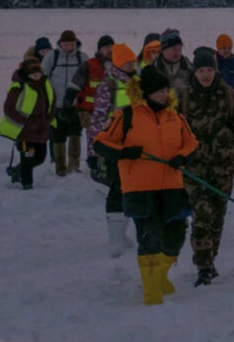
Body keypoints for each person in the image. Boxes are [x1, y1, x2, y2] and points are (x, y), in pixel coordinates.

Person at [93, 65, 199, 305]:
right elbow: (100, 143)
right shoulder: (125, 116)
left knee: (176, 237)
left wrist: (182, 156)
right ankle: (151, 288)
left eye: (166, 89)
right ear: (147, 92)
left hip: (172, 186)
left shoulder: (175, 116)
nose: (165, 94)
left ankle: (161, 276)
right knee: (150, 238)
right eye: (160, 90)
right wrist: (124, 152)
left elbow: (191, 142)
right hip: (140, 188)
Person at [180, 49, 234, 286]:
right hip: (195, 169)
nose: (206, 75)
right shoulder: (184, 97)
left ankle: (212, 258)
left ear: (216, 71)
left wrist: (229, 130)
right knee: (202, 215)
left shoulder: (228, 95)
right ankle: (203, 265)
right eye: (201, 70)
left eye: (210, 70)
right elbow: (174, 130)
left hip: (224, 168)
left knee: (218, 216)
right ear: (195, 72)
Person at [86, 43, 139, 257]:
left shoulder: (136, 82)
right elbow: (98, 119)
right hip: (112, 148)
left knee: (130, 190)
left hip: (133, 148)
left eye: (133, 61)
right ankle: (115, 240)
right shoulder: (109, 84)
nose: (131, 64)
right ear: (118, 62)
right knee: (117, 189)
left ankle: (122, 232)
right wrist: (96, 149)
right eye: (127, 61)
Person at [0, 58, 55, 190]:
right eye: (33, 74)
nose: (36, 75)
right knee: (27, 158)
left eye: (38, 73)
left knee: (40, 158)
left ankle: (18, 171)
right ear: (26, 74)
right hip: (25, 132)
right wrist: (25, 122)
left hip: (41, 129)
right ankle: (27, 185)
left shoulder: (45, 84)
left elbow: (52, 102)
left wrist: (49, 118)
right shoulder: (18, 87)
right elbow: (9, 109)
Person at [41, 30, 89, 176]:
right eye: (66, 44)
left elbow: (88, 80)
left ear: (76, 43)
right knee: (58, 135)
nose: (69, 47)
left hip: (76, 105)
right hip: (57, 105)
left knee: (76, 133)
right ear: (60, 44)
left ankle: (74, 166)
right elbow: (43, 78)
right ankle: (60, 167)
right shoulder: (52, 57)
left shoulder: (83, 57)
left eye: (72, 44)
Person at [64, 35, 114, 163]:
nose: (109, 49)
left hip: (113, 111)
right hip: (90, 111)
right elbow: (75, 84)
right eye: (106, 47)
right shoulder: (88, 65)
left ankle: (108, 161)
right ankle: (93, 160)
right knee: (94, 136)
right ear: (99, 49)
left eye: (111, 47)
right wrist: (68, 99)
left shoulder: (119, 65)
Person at [153, 29, 192, 98]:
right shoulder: (153, 70)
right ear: (163, 50)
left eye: (180, 49)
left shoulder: (189, 68)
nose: (177, 52)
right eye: (174, 49)